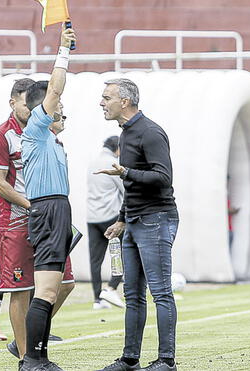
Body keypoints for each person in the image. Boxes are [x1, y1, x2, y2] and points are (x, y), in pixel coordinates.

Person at [0, 79, 75, 360]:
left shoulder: (49, 132)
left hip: (46, 217)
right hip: (16, 220)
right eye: (25, 103)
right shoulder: (1, 135)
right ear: (14, 103)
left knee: (65, 283)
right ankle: (26, 356)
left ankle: (30, 335)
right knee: (20, 290)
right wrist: (32, 205)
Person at [96, 78, 179, 371]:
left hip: (157, 218)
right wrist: (121, 220)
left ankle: (166, 361)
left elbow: (163, 177)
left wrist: (126, 172)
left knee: (160, 292)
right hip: (134, 221)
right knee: (132, 294)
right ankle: (130, 359)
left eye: (107, 98)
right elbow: (132, 185)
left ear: (125, 101)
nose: (102, 103)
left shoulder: (150, 132)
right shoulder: (125, 134)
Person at [19, 24, 76, 371]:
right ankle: (32, 359)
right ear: (44, 109)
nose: (62, 109)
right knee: (45, 292)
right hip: (49, 210)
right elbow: (54, 87)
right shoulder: (37, 130)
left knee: (51, 291)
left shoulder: (52, 141)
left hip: (57, 209)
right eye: (58, 106)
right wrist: (64, 50)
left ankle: (38, 358)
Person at [87, 136, 125, 309]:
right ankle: (111, 287)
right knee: (123, 252)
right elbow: (125, 189)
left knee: (96, 260)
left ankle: (97, 299)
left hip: (92, 217)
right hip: (111, 216)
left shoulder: (92, 162)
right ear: (117, 148)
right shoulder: (113, 163)